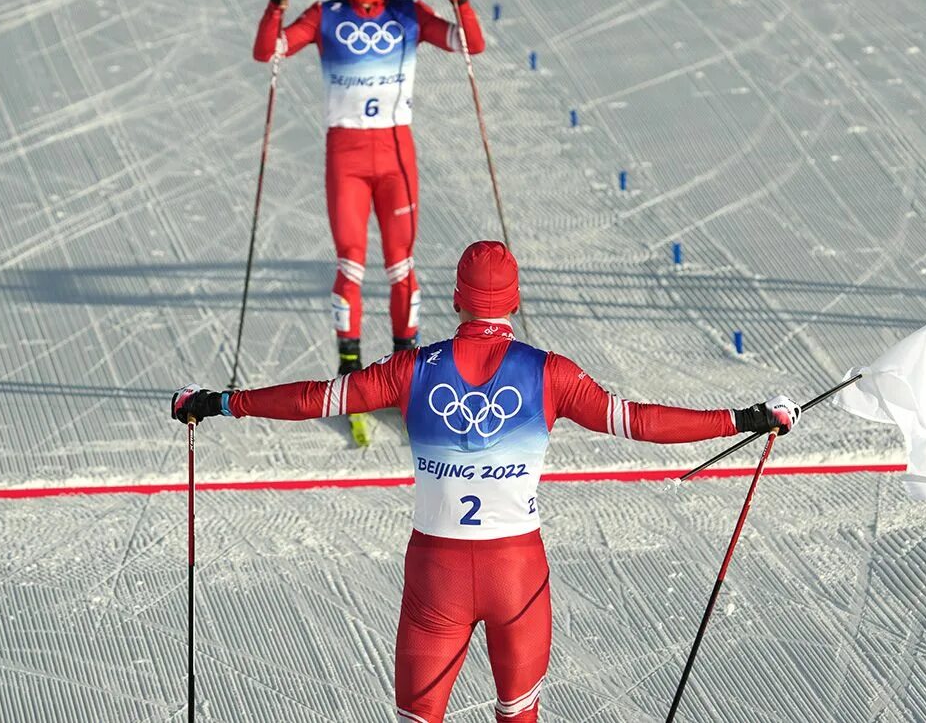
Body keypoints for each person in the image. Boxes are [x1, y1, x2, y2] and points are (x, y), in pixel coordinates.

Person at [172, 241, 800, 723]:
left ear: (457, 299)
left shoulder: (411, 369)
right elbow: (638, 421)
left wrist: (220, 403)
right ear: (515, 301)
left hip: (435, 577)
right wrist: (742, 418)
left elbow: (315, 398)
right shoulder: (550, 374)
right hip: (516, 576)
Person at [252, 0, 486, 379]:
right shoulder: (326, 16)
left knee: (402, 264)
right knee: (351, 264)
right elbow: (269, 52)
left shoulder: (407, 13)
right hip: (347, 157)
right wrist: (275, 5)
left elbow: (470, 44)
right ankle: (350, 372)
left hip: (396, 154)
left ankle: (404, 370)